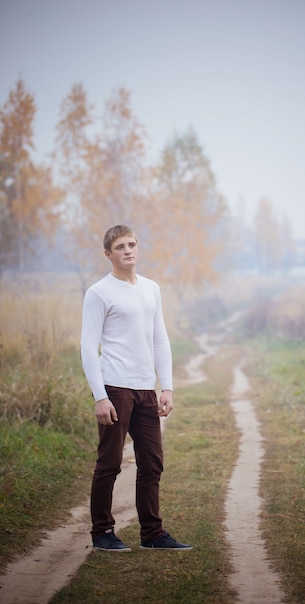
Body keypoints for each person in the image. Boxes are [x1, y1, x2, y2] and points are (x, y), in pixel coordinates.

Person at [80, 224, 192, 551]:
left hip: (146, 390)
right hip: (115, 387)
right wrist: (100, 396)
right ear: (108, 254)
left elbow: (160, 338)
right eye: (120, 247)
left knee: (152, 462)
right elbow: (89, 347)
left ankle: (152, 534)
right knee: (110, 463)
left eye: (132, 244)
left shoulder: (151, 288)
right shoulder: (99, 292)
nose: (128, 250)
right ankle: (102, 532)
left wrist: (166, 387)